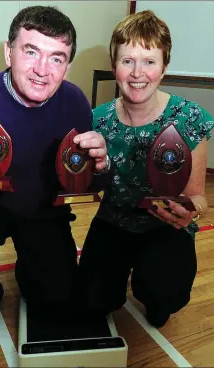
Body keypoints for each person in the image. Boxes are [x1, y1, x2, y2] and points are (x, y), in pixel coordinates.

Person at [0, 5, 110, 346]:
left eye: (57, 58)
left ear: (68, 65)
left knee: (55, 295)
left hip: (42, 209)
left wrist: (102, 167)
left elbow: (85, 183)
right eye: (31, 52)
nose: (43, 70)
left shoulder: (74, 102)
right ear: (8, 52)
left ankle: (34, 271)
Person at [79, 10, 214, 328]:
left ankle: (157, 294)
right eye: (127, 61)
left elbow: (199, 198)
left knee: (164, 293)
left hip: (164, 228)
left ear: (164, 67)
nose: (137, 73)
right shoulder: (95, 119)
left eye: (149, 61)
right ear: (114, 66)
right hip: (113, 221)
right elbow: (89, 185)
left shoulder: (189, 118)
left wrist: (189, 211)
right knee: (91, 299)